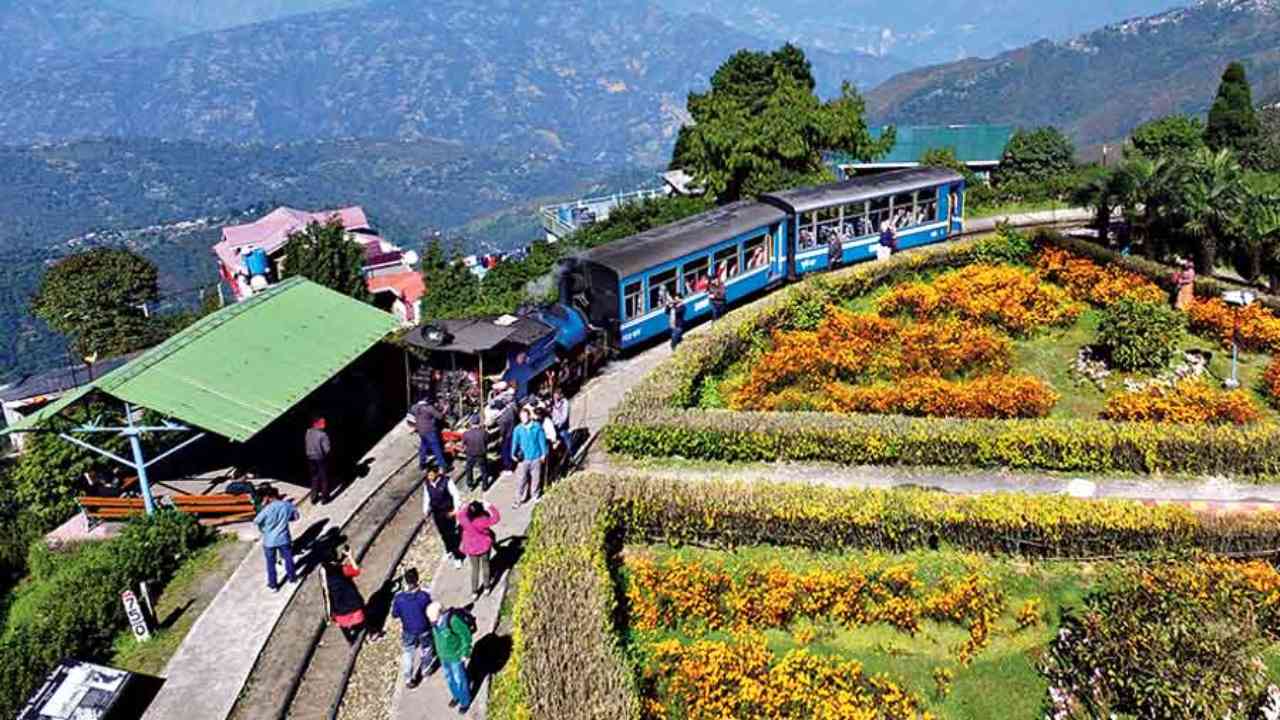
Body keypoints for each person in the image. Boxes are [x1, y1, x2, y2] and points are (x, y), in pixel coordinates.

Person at [391, 568, 436, 687]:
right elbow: (430, 609)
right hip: (423, 628)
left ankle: (408, 678)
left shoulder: (399, 598)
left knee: (408, 653)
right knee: (426, 648)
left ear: (405, 581)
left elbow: (395, 614)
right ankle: (425, 668)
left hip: (408, 630)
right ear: (417, 579)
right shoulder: (424, 596)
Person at [427, 602, 474, 714]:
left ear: (441, 613)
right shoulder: (435, 623)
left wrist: (465, 653)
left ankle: (465, 701)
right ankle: (456, 695)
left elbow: (465, 636)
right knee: (449, 678)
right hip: (443, 656)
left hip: (455, 655)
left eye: (433, 619)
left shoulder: (453, 621)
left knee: (459, 679)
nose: (432, 622)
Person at [253, 485, 298, 592]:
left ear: (268, 497)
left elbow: (256, 521)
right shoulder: (287, 505)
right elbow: (296, 517)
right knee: (288, 559)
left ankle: (273, 585)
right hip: (284, 538)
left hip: (269, 541)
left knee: (270, 564)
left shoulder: (267, 509)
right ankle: (292, 579)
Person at [320, 544, 365, 644]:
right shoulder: (343, 569)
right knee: (360, 622)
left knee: (345, 628)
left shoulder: (324, 573)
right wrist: (349, 556)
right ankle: (357, 633)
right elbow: (356, 570)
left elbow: (326, 595)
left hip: (340, 613)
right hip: (355, 607)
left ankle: (351, 640)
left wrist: (329, 616)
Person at [456, 500, 501, 601]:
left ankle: (474, 592)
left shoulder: (465, 521)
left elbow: (460, 513)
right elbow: (496, 518)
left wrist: (467, 505)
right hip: (484, 547)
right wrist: (490, 506)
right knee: (486, 566)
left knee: (475, 569)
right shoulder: (484, 520)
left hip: (471, 549)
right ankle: (486, 587)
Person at [423, 466, 465, 569]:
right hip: (437, 513)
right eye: (428, 475)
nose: (429, 477)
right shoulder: (427, 484)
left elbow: (455, 495)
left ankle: (457, 557)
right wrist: (426, 510)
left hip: (448, 511)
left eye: (431, 474)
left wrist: (455, 510)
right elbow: (427, 497)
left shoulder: (446, 481)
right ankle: (448, 549)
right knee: (443, 533)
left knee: (451, 534)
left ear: (436, 473)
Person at [511, 406, 547, 505]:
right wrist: (513, 453)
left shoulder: (537, 427)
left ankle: (535, 495)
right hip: (524, 459)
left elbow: (542, 440)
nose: (523, 419)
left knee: (536, 478)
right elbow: (515, 442)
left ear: (529, 416)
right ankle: (518, 499)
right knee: (521, 480)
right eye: (521, 417)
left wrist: (544, 453)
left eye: (525, 417)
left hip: (536, 457)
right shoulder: (518, 429)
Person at [412, 398, 448, 472]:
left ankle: (422, 464)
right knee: (436, 447)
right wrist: (445, 409)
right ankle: (443, 466)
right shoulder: (429, 408)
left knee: (423, 447)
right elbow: (440, 417)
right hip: (430, 431)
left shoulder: (414, 407)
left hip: (421, 431)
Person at [304, 416, 332, 505]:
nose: (324, 425)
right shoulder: (323, 435)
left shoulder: (308, 432)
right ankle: (325, 498)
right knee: (324, 478)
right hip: (320, 458)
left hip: (310, 458)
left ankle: (314, 497)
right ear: (316, 423)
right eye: (322, 423)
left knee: (314, 478)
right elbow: (327, 449)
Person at [460, 417, 490, 491]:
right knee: (484, 470)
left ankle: (470, 484)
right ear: (479, 422)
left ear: (471, 423)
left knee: (469, 469)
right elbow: (487, 441)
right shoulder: (484, 433)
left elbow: (463, 444)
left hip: (470, 454)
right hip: (481, 454)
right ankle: (485, 486)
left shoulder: (466, 434)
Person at [550, 389, 574, 462]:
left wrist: (558, 423)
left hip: (562, 426)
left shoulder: (565, 403)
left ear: (560, 395)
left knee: (566, 438)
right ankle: (563, 456)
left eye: (556, 395)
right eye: (554, 395)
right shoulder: (554, 403)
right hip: (555, 426)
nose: (555, 397)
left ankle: (571, 455)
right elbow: (553, 413)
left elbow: (564, 417)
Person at [497, 396, 517, 474]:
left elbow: (502, 430)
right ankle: (511, 465)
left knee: (505, 452)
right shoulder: (510, 411)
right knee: (511, 449)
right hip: (512, 432)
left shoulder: (502, 418)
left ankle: (508, 468)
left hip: (506, 436)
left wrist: (500, 437)